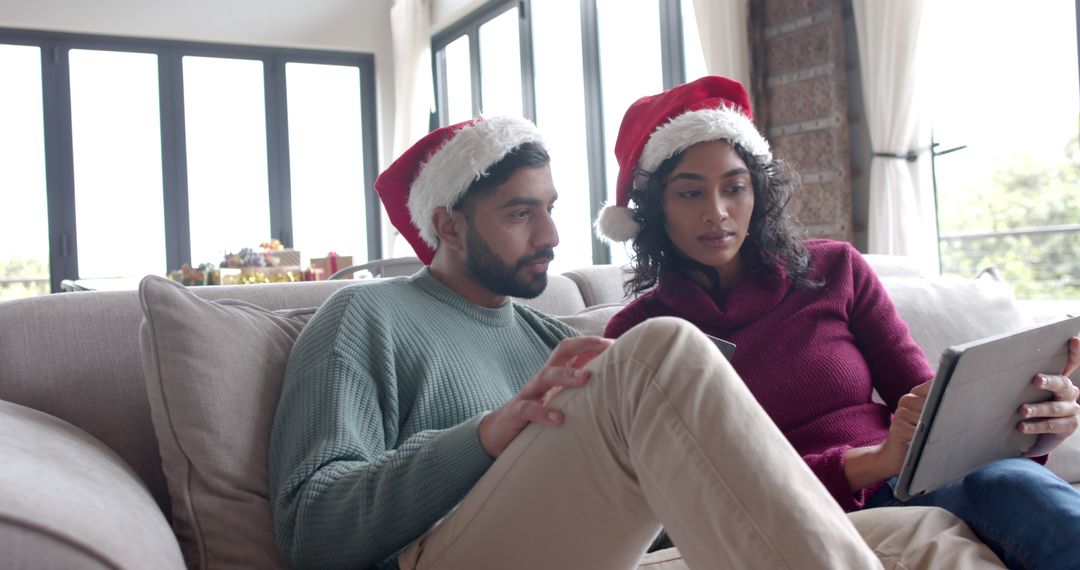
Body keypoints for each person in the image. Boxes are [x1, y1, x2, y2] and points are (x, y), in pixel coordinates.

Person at [268, 115, 1002, 570]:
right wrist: (492, 432)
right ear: (449, 223)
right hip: (441, 557)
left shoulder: (547, 340)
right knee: (661, 348)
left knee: (924, 536)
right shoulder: (365, 319)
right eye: (520, 213)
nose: (553, 237)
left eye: (552, 209)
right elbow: (313, 532)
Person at [598, 75, 1080, 570]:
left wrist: (1035, 429)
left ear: (757, 192)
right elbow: (693, 495)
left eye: (734, 187)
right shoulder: (639, 338)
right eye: (690, 194)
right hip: (804, 517)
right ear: (654, 209)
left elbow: (930, 406)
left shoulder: (835, 270)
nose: (717, 212)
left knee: (1010, 481)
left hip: (910, 482)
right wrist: (873, 462)